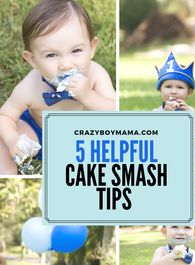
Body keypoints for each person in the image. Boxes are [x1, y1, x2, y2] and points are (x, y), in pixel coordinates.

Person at [0, 0, 116, 175]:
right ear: (33, 60)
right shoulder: (30, 86)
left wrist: (88, 96)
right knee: (2, 144)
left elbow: (116, 111)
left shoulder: (96, 74)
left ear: (92, 48)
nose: (66, 65)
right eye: (51, 55)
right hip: (38, 133)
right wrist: (13, 139)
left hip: (82, 137)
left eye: (76, 50)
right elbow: (5, 116)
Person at [154, 52, 195, 161]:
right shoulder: (157, 112)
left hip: (189, 147)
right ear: (160, 90)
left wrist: (191, 113)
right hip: (167, 149)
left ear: (189, 92)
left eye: (180, 87)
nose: (174, 91)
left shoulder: (188, 110)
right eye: (168, 87)